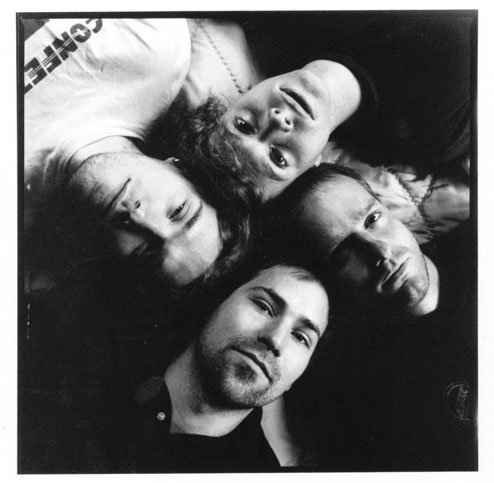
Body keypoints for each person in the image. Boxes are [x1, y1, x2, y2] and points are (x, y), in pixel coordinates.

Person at [262, 164, 476, 470]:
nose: (381, 253)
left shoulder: (479, 240)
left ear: (389, 209)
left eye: (372, 219)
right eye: (342, 253)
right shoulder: (357, 390)